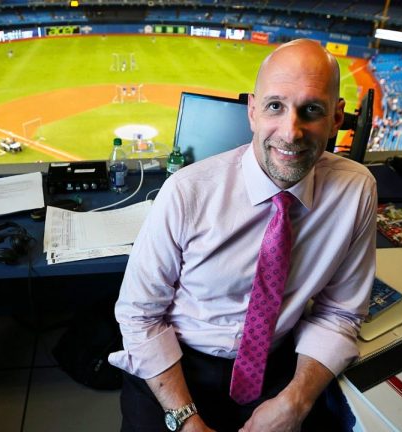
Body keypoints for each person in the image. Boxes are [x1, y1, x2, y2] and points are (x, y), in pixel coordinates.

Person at [109, 39, 377, 431]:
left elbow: (340, 312)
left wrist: (294, 403)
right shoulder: (188, 190)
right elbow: (139, 315)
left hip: (279, 364)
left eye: (312, 110)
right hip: (174, 364)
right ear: (252, 110)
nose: (291, 132)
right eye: (275, 106)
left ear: (337, 117)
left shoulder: (356, 191)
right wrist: (185, 419)